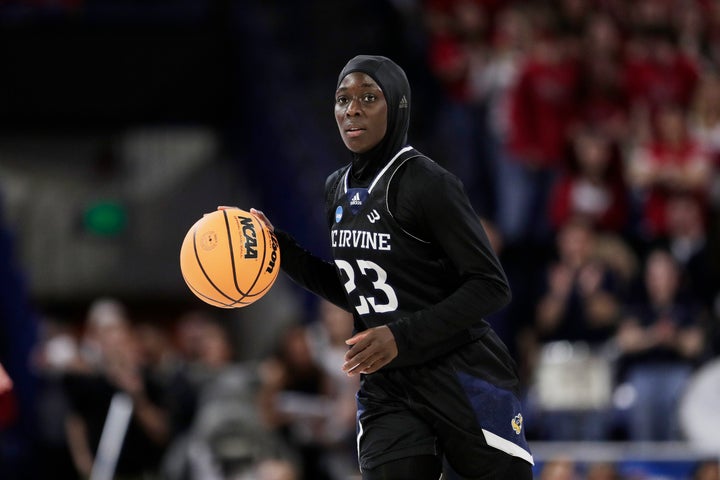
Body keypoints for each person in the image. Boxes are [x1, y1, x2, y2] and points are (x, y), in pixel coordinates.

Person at [247, 55, 533, 479]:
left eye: (368, 97)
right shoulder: (336, 188)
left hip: (461, 373)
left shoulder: (427, 183)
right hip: (388, 385)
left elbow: (491, 286)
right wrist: (281, 252)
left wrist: (400, 336)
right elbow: (358, 289)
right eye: (343, 99)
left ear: (397, 105)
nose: (352, 109)